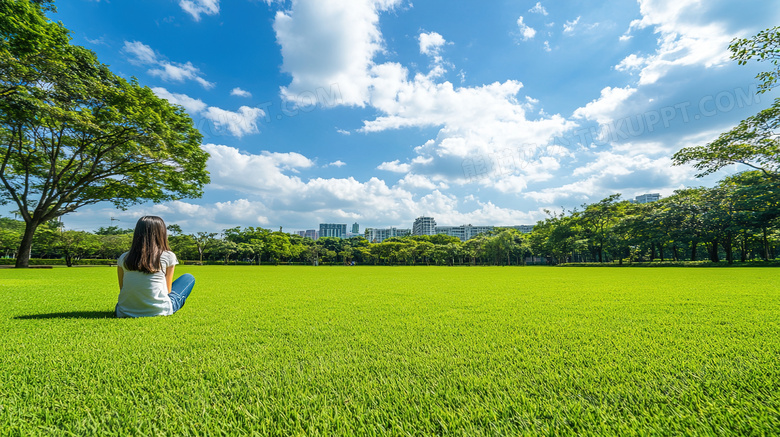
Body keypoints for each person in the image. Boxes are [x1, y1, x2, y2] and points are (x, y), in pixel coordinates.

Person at [115, 216, 195, 318]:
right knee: (188, 278)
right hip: (160, 310)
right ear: (161, 233)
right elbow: (168, 291)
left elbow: (122, 288)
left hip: (123, 312)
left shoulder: (124, 257)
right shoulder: (168, 256)